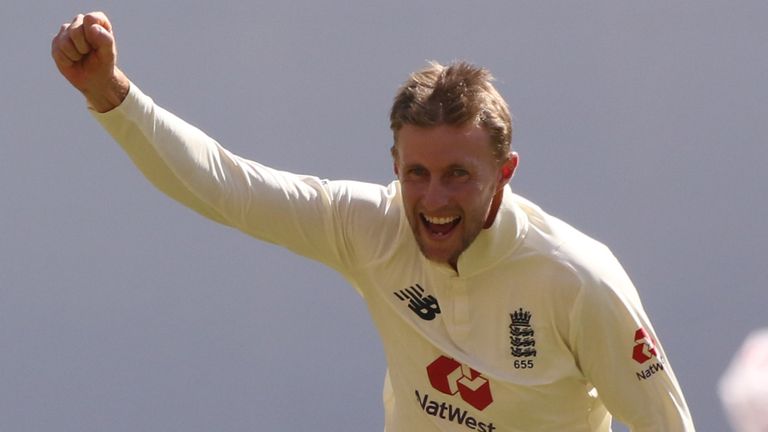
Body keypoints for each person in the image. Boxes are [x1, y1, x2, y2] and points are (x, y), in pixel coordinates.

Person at [51, 11, 696, 431]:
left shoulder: (581, 279)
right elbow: (227, 185)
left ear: (506, 171)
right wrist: (110, 95)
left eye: (458, 175)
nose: (433, 198)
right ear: (393, 164)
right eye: (416, 173)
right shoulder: (370, 225)